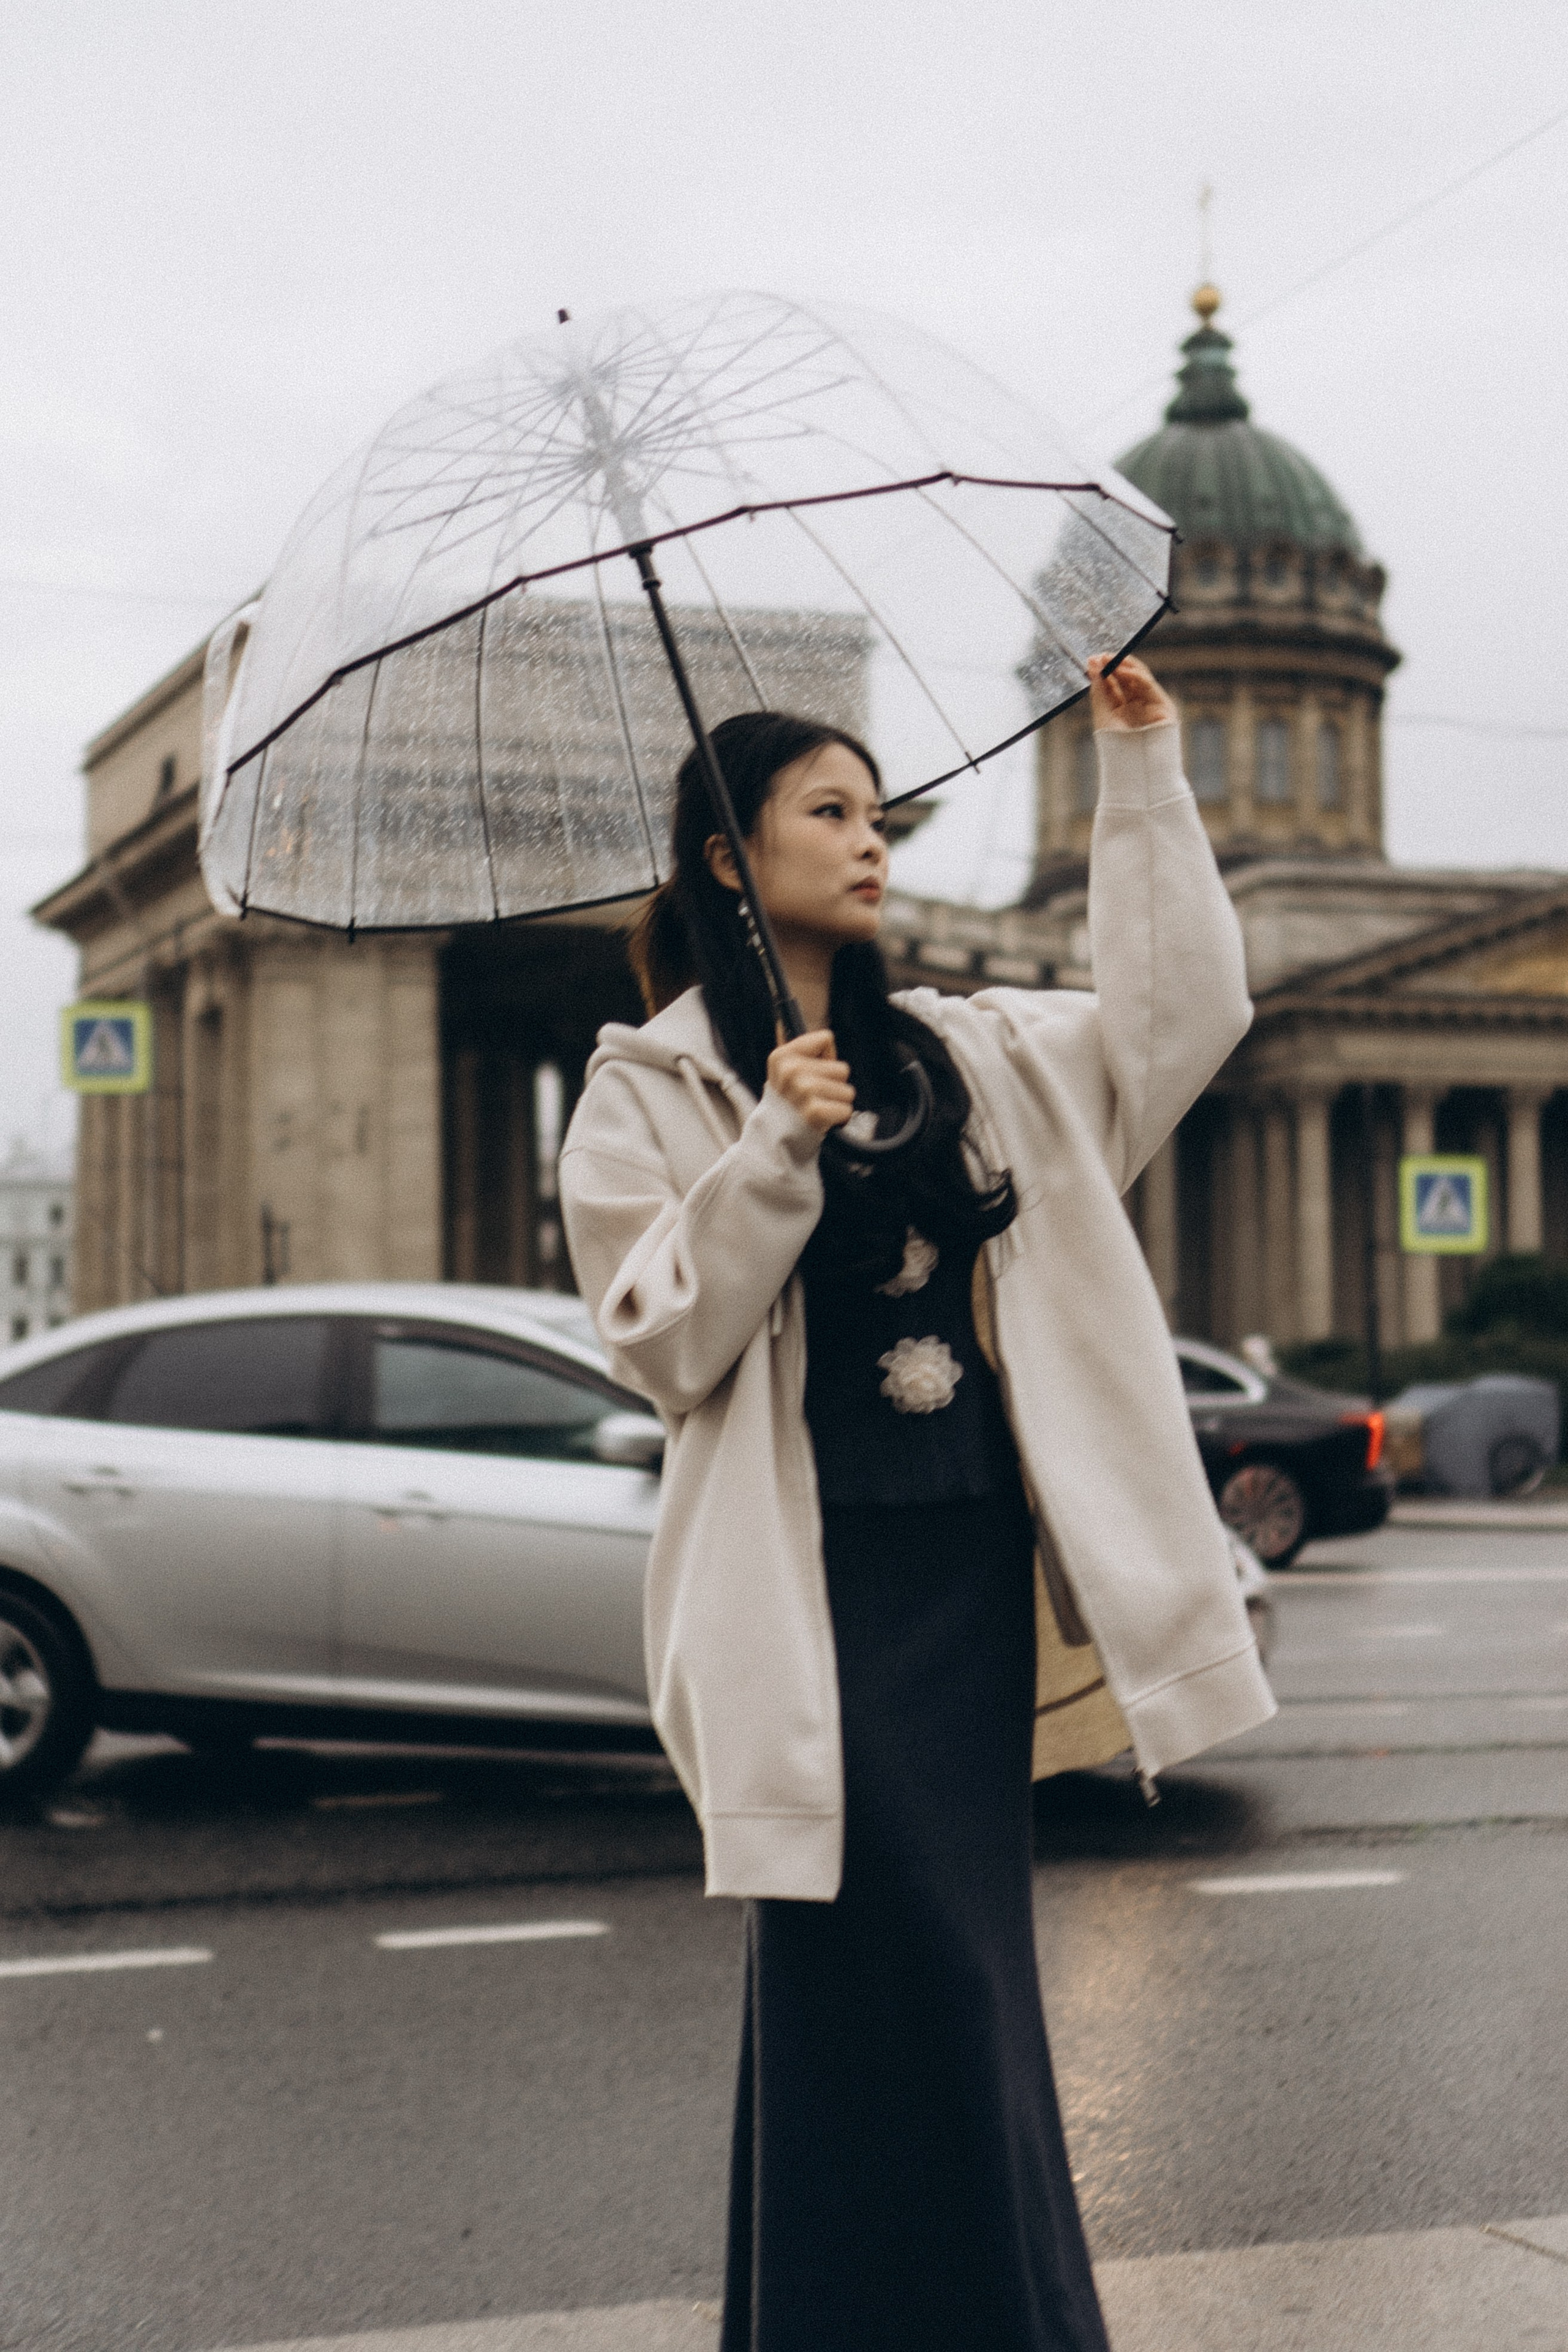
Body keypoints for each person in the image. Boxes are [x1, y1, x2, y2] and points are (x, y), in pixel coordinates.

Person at [559, 656, 1276, 2352]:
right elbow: (662, 1342)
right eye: (830, 814)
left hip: (965, 1568)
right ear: (730, 858)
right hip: (812, 1589)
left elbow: (1185, 1026)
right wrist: (769, 1156)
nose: (872, 844)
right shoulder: (650, 1087)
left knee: (963, 1966)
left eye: (881, 816)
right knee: (879, 1963)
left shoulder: (975, 1047)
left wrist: (1145, 773)